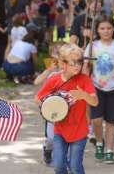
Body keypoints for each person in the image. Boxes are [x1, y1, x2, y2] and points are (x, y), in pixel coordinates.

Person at [36, 43, 98, 174]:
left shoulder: (84, 80)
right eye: (73, 62)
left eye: (80, 62)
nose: (77, 66)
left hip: (79, 131)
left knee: (75, 167)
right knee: (58, 166)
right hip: (60, 131)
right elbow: (39, 98)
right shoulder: (54, 80)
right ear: (63, 64)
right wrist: (50, 106)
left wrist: (84, 95)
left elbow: (95, 102)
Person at [83, 15, 114, 164]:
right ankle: (99, 142)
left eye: (109, 28)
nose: (106, 31)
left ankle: (110, 151)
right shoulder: (92, 46)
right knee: (96, 120)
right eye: (102, 28)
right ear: (97, 30)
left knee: (111, 121)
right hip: (96, 87)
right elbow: (86, 66)